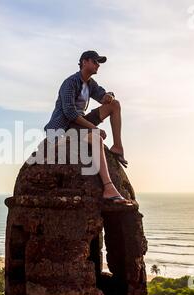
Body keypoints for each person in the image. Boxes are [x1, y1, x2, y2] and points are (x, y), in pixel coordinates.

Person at [44, 50, 130, 204]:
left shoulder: (90, 84)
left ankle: (118, 147)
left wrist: (109, 95)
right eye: (95, 61)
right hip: (64, 127)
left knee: (114, 105)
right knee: (96, 139)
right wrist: (93, 128)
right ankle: (109, 188)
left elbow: (103, 96)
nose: (98, 65)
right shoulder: (70, 82)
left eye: (99, 63)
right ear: (84, 62)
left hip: (80, 122)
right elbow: (69, 113)